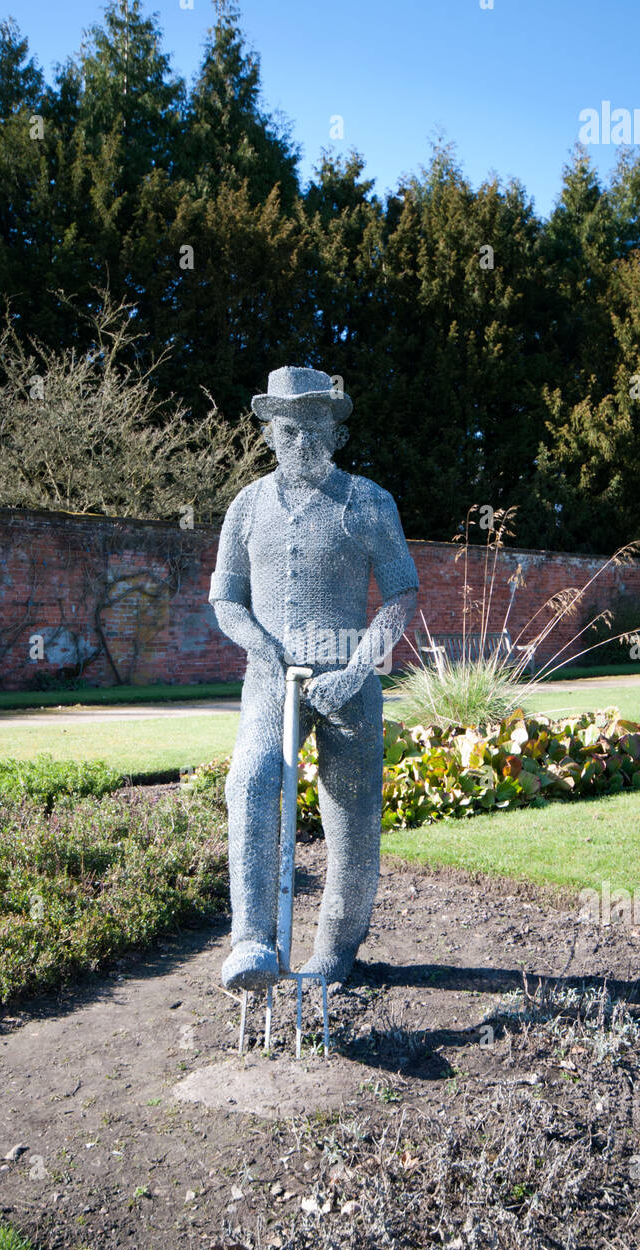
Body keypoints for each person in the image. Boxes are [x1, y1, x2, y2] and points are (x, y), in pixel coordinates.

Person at [209, 366, 418, 992]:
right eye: (288, 428)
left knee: (350, 818)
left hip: (349, 689)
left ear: (336, 434)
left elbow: (401, 594)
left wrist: (357, 671)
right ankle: (252, 939)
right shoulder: (246, 506)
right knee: (251, 778)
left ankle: (335, 948)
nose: (302, 441)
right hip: (271, 682)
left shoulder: (369, 502)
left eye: (315, 428)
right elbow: (226, 599)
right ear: (270, 432)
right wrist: (262, 648)